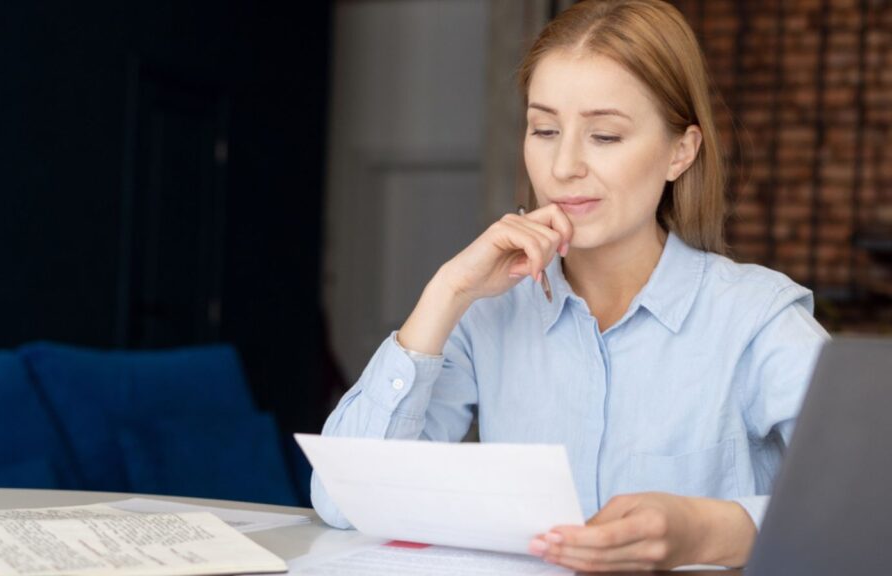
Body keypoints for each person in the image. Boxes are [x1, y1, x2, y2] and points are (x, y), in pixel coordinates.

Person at [310, 0, 830, 571]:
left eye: (605, 135)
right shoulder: (489, 310)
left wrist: (710, 531)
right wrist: (446, 292)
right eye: (545, 129)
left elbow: (868, 496)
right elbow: (340, 500)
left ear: (681, 151)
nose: (563, 166)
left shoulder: (755, 319)